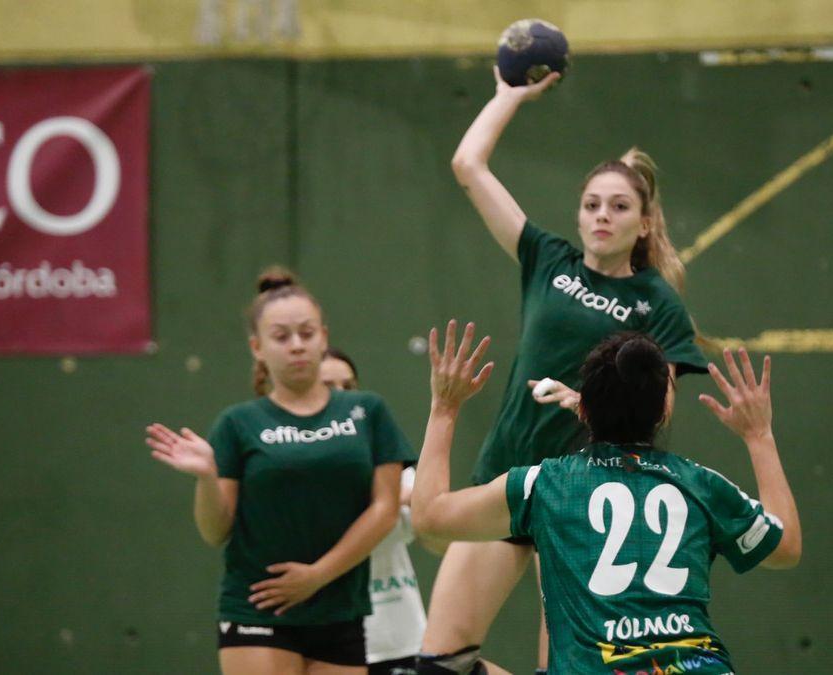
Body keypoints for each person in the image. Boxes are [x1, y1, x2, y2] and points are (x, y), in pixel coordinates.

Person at [420, 67, 709, 673]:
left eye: (619, 205)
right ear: (578, 216)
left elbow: (658, 411)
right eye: (591, 204)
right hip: (506, 479)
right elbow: (468, 166)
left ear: (645, 221)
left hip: (583, 498)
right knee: (439, 663)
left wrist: (584, 401)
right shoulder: (547, 260)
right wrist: (508, 95)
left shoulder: (657, 303)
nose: (603, 215)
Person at [412, 322, 800, 674]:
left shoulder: (545, 484)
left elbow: (429, 516)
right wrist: (759, 436)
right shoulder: (702, 485)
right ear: (663, 411)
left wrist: (444, 408)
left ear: (582, 408)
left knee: (445, 669)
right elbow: (786, 548)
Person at [147, 268, 414, 674]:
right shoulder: (237, 424)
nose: (296, 346)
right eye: (281, 336)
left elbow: (385, 509)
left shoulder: (368, 411)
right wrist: (206, 478)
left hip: (340, 609)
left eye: (307, 334)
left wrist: (317, 576)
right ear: (257, 347)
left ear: (323, 336)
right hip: (258, 608)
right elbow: (215, 530)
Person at [320, 349, 431, 675]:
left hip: (403, 639)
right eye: (328, 385)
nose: (341, 395)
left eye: (349, 385)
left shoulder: (386, 455)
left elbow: (423, 505)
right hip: (331, 642)